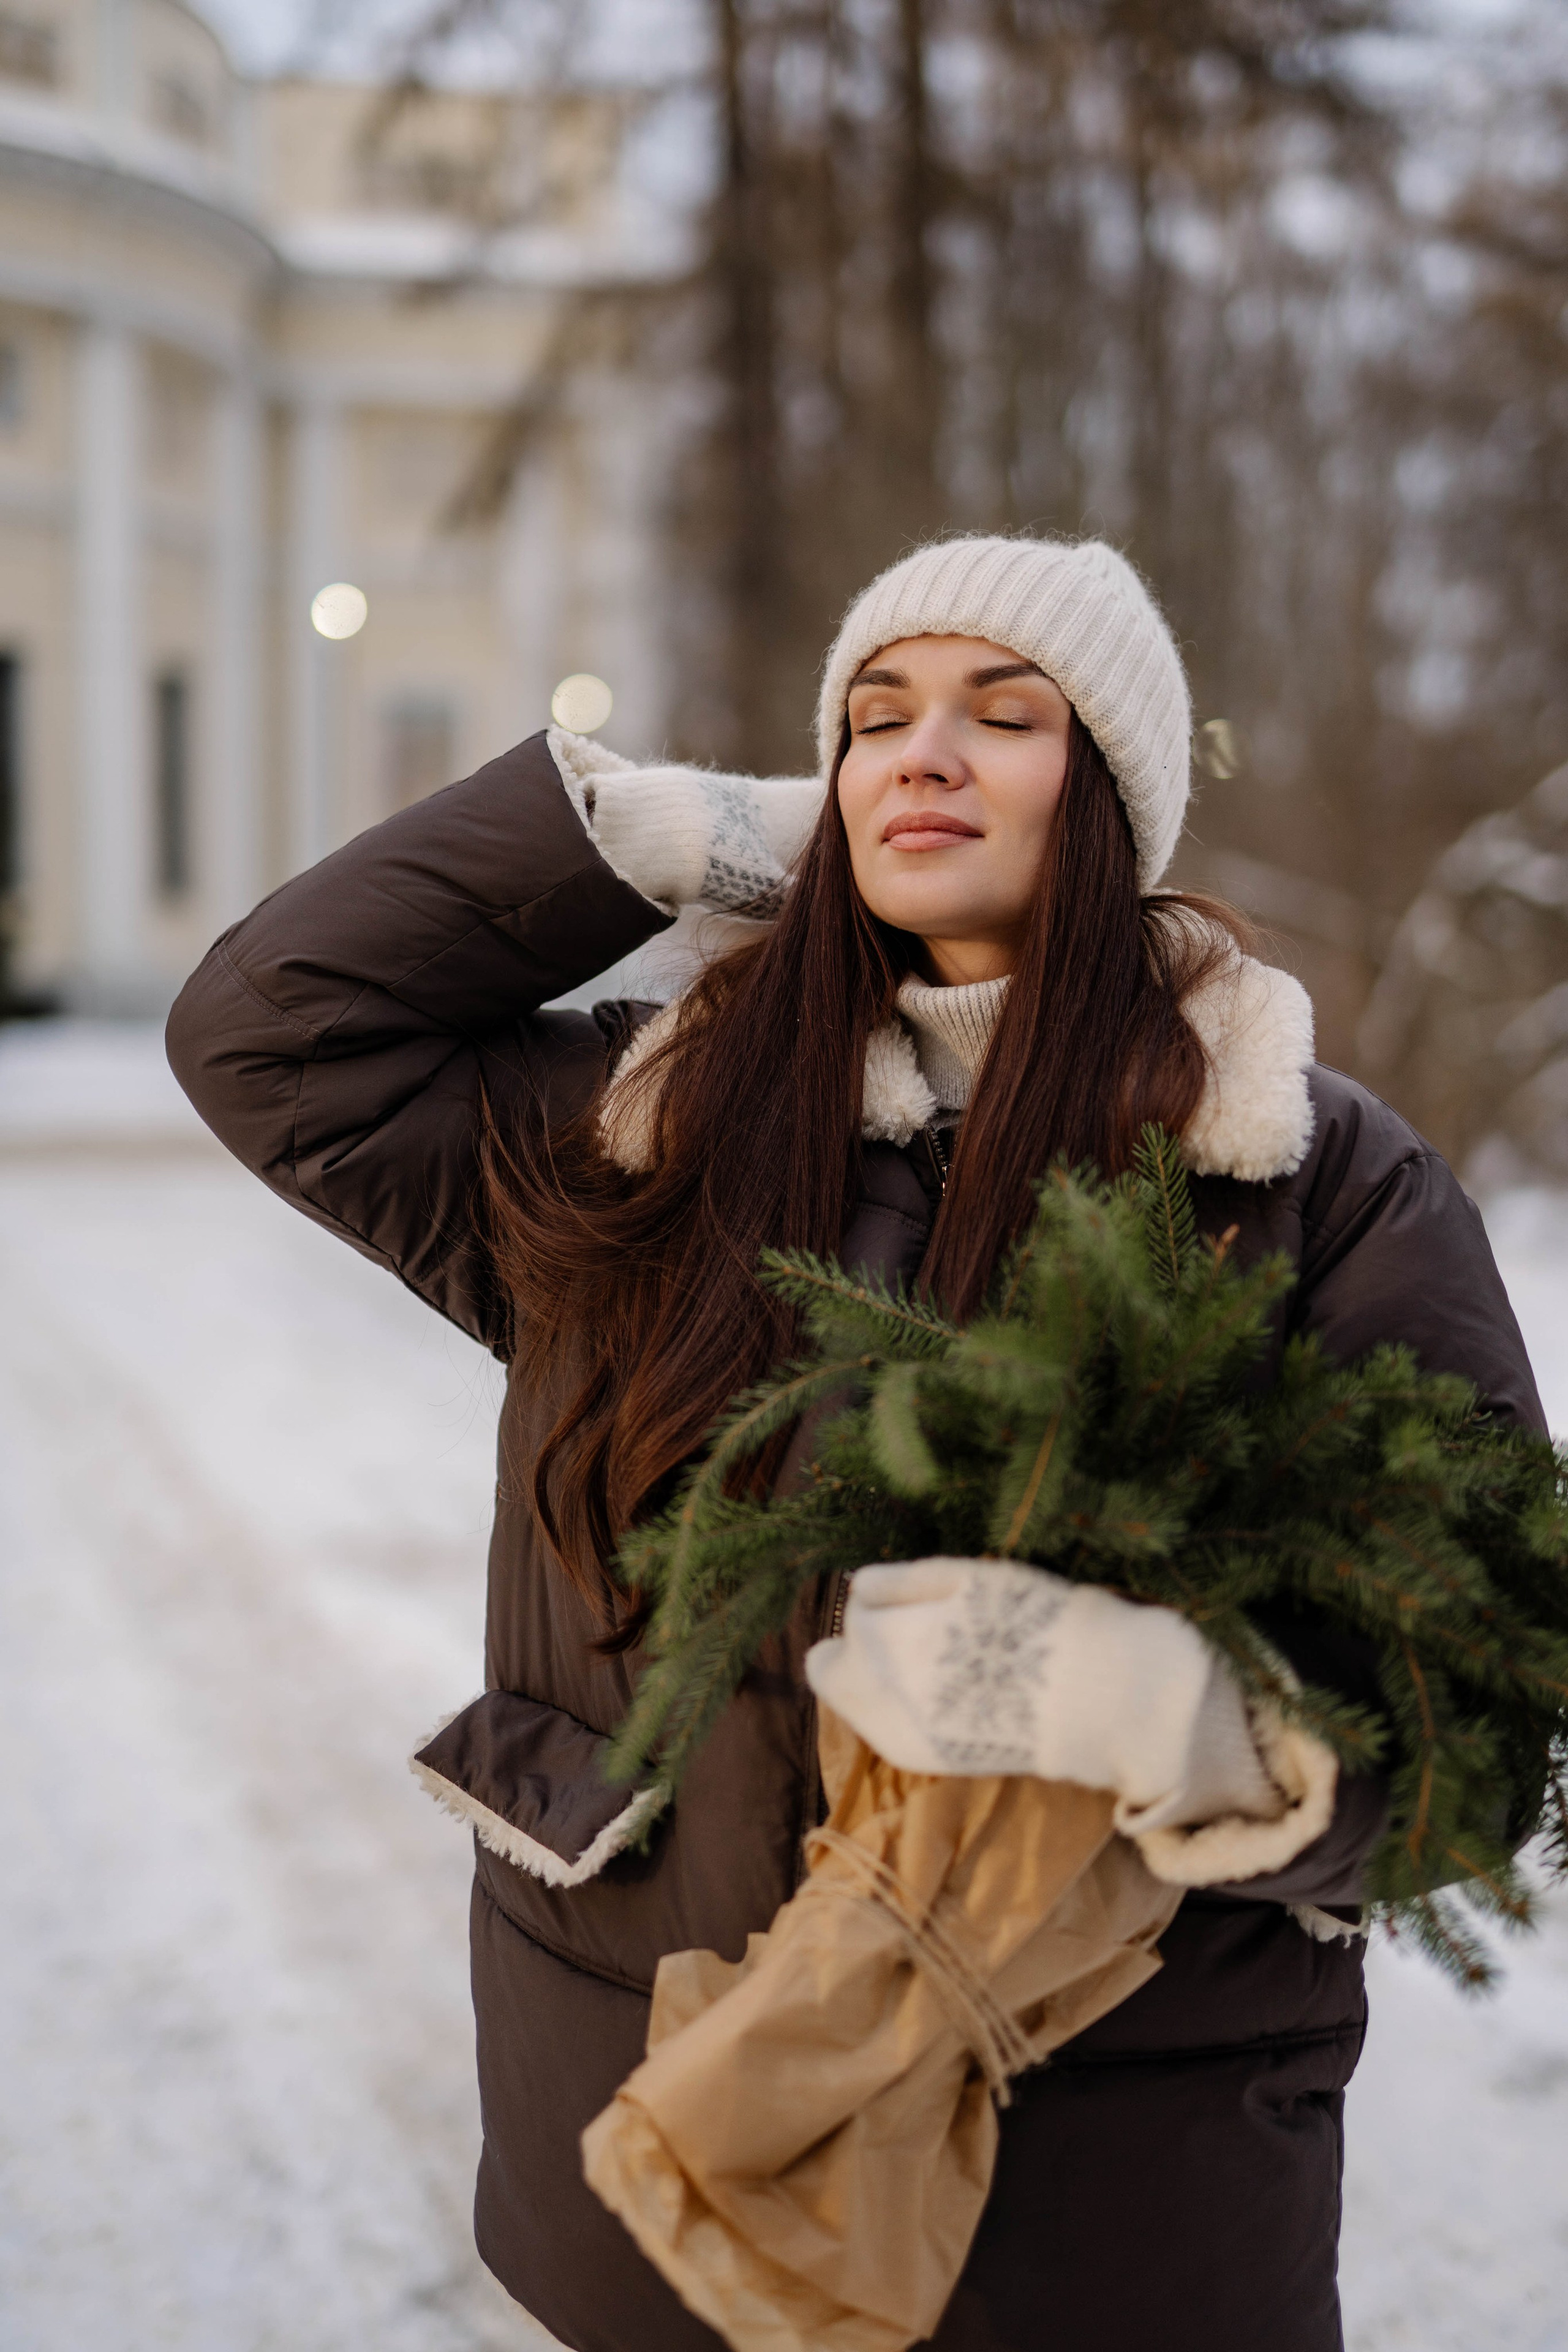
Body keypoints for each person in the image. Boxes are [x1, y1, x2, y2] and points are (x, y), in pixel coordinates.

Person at [167, 534, 1543, 2352]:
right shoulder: (650, 1131)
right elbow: (271, 1036)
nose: (925, 755)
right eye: (876, 720)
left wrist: (1185, 1722)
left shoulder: (1309, 1177)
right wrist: (646, 840)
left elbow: (1489, 1700)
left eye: (1007, 714)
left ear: (1114, 786)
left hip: (1120, 2230)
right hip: (660, 2159)